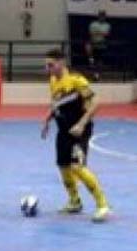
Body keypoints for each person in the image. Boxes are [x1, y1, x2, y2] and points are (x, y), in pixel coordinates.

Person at [41, 49, 111, 223]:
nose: (48, 68)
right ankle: (74, 201)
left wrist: (81, 124)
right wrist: (48, 119)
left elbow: (95, 102)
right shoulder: (52, 81)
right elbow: (57, 102)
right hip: (63, 130)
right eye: (47, 65)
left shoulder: (76, 80)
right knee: (63, 166)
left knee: (77, 167)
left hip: (80, 130)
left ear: (62, 63)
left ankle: (102, 205)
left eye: (51, 65)